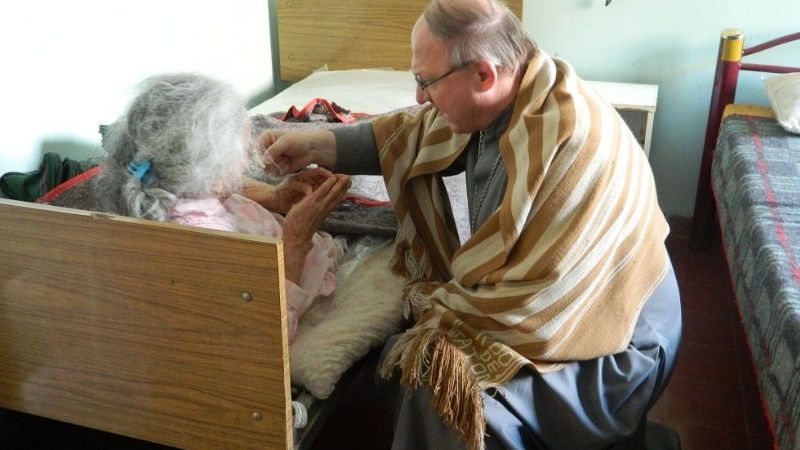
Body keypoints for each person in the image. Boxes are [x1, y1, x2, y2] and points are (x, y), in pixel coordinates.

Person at [259, 0, 682, 449]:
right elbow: (407, 130)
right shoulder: (515, 91)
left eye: (426, 82)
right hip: (556, 310)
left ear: (483, 74)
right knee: (413, 354)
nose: (421, 96)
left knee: (439, 390)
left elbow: (537, 308)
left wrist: (437, 311)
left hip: (607, 341)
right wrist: (317, 145)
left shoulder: (571, 145)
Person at [93, 72, 352, 343]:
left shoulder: (167, 182)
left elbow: (229, 190)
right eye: (244, 144)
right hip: (286, 284)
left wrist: (275, 196)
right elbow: (265, 333)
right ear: (214, 175)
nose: (251, 151)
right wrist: (296, 237)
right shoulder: (209, 245)